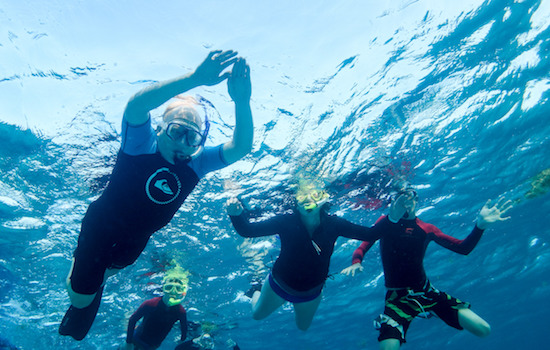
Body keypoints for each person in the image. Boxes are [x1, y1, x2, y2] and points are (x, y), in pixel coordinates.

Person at [59, 49, 253, 341]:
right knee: (80, 299)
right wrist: (196, 78)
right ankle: (81, 269)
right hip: (100, 227)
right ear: (161, 128)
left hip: (135, 241)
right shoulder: (141, 144)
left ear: (199, 144)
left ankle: (94, 278)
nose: (183, 142)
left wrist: (241, 101)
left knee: (107, 274)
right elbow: (137, 106)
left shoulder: (196, 165)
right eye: (177, 130)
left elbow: (240, 147)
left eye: (192, 137)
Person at [340, 186, 513, 349]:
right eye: (401, 197)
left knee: (483, 329)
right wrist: (356, 262)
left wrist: (480, 226)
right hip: (397, 298)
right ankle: (385, 320)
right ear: (394, 201)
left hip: (427, 292)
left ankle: (426, 310)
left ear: (417, 200)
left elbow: (463, 248)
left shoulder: (426, 229)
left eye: (410, 196)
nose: (406, 201)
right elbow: (363, 247)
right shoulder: (385, 223)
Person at [225, 182, 382, 331]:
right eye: (302, 196)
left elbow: (370, 234)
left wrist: (394, 217)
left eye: (314, 195)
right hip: (279, 284)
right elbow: (248, 231)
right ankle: (257, 288)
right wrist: (236, 215)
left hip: (310, 292)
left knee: (303, 327)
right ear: (295, 201)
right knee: (257, 315)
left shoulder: (334, 224)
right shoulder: (285, 221)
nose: (309, 200)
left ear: (323, 198)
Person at [124, 270, 190, 350]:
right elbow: (132, 320)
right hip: (136, 339)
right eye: (169, 288)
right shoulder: (150, 304)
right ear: (163, 289)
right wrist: (128, 342)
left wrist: (182, 341)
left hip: (152, 346)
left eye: (178, 289)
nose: (173, 292)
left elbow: (184, 329)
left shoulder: (181, 311)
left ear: (182, 292)